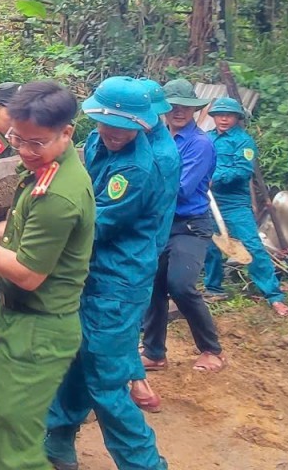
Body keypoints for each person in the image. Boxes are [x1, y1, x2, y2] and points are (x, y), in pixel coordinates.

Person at [0, 80, 96, 470]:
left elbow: (28, 273)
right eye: (17, 139)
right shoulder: (44, 171)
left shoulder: (58, 195)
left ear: (66, 133)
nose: (25, 151)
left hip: (39, 331)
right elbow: (18, 233)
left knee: (14, 444)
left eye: (36, 143)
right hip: (14, 318)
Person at [44, 77, 168, 470]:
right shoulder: (98, 142)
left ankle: (144, 464)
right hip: (92, 272)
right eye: (105, 123)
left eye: (123, 127)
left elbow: (93, 227)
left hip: (118, 281)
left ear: (141, 125)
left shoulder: (136, 169)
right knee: (77, 360)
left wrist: (34, 233)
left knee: (107, 381)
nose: (112, 133)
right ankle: (57, 442)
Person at [142, 78, 227, 373]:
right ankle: (154, 352)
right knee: (153, 284)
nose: (179, 111)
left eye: (185, 107)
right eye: (173, 106)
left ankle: (212, 349)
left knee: (180, 284)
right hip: (160, 223)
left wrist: (138, 189)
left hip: (189, 225)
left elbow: (180, 189)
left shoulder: (199, 144)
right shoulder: (156, 137)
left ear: (195, 110)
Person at [203, 97, 288, 316]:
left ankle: (274, 295)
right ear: (213, 117)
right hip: (209, 201)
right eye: (219, 115)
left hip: (234, 203)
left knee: (252, 245)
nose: (224, 119)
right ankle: (213, 289)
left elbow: (243, 170)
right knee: (210, 245)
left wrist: (216, 177)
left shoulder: (243, 141)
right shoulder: (206, 138)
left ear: (237, 118)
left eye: (229, 115)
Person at [129, 78, 181, 413]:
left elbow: (128, 212)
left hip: (139, 247)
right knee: (130, 313)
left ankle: (137, 383)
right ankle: (137, 382)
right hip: (142, 244)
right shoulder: (145, 141)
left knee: (125, 314)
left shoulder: (157, 156)